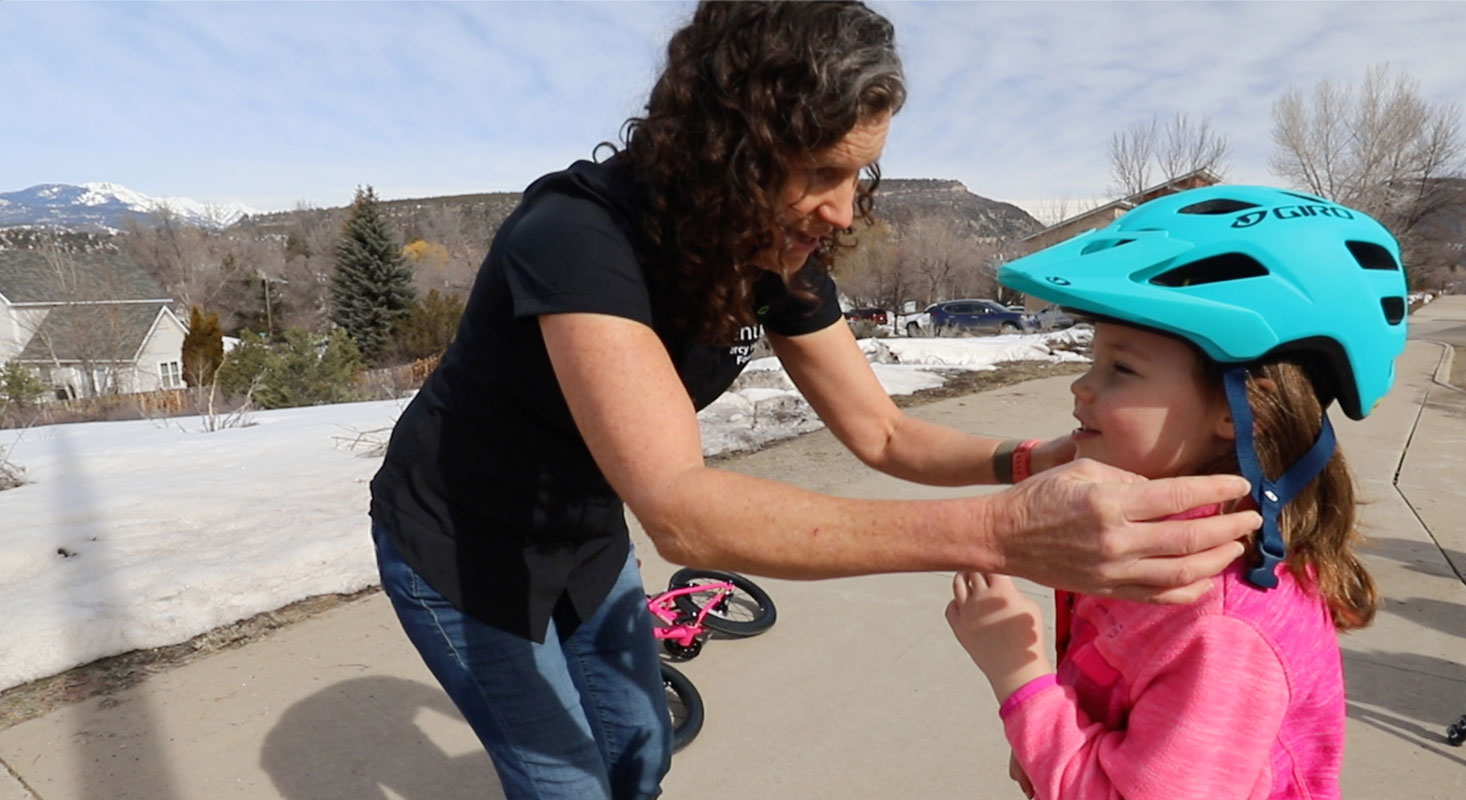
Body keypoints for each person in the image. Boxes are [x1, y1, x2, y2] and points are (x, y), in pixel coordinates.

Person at [367, 4, 1259, 798]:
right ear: (734, 151)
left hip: (583, 531)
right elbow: (682, 509)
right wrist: (1008, 531)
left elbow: (885, 429)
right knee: (565, 782)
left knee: (639, 753)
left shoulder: (768, 250)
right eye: (824, 172)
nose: (842, 211)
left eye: (859, 175)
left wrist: (1035, 460)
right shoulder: (576, 238)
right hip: (461, 545)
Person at [945, 185, 1408, 799]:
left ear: (1245, 411)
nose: (1082, 386)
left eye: (1122, 368)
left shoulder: (1224, 627)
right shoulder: (1159, 545)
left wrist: (1020, 676)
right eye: (1093, 359)